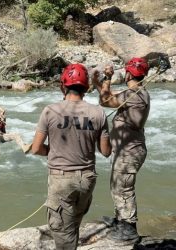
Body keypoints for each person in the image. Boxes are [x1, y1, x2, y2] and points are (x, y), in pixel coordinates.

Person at [31, 63, 112, 249]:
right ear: (86, 87)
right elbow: (106, 152)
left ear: (63, 85)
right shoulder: (99, 112)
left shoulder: (49, 111)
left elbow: (36, 149)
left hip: (61, 180)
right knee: (73, 225)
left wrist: (51, 151)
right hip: (87, 180)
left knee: (63, 233)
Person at [92, 57, 150, 242]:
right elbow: (110, 96)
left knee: (123, 189)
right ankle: (120, 220)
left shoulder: (133, 95)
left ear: (128, 74)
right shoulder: (137, 93)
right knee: (117, 185)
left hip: (129, 151)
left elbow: (106, 101)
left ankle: (129, 229)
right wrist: (97, 83)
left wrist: (107, 78)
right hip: (129, 149)